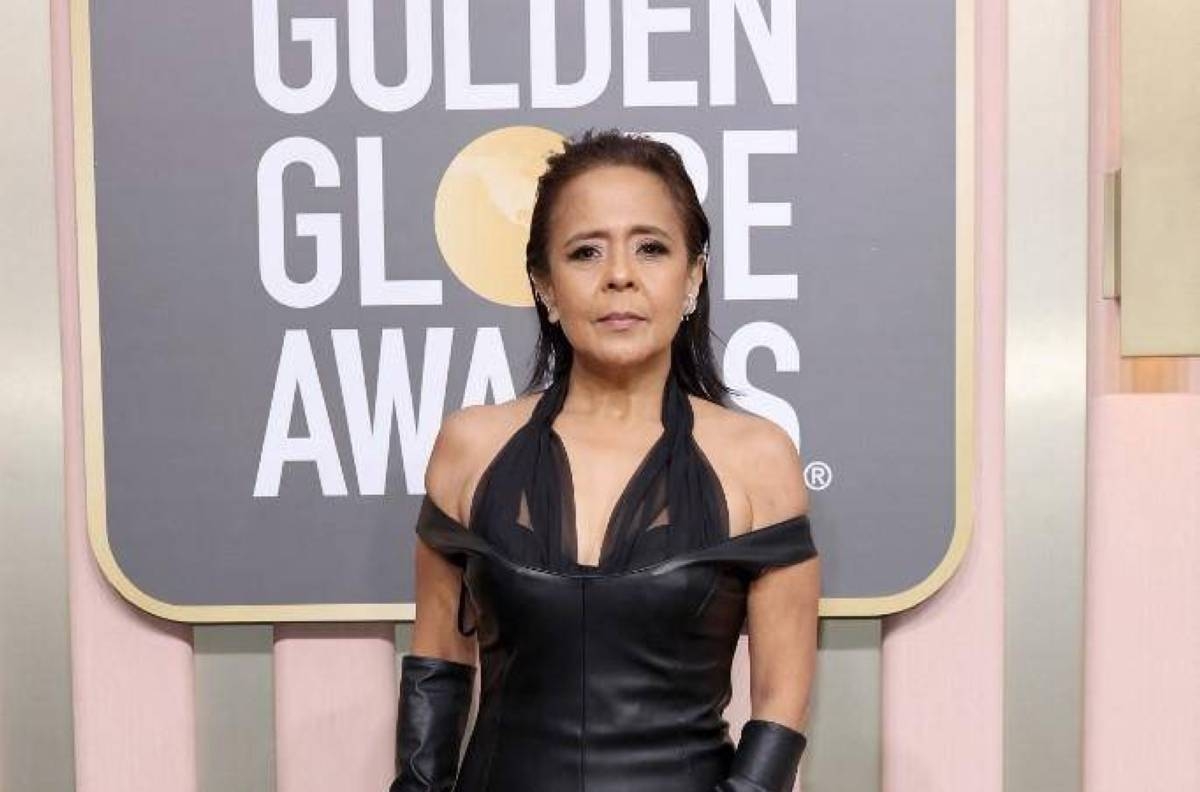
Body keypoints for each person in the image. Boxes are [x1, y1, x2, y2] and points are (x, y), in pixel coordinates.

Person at [389, 129, 821, 792]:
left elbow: (780, 708)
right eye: (586, 251)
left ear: (693, 275)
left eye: (651, 247)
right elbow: (438, 665)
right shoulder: (469, 448)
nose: (620, 274)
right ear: (545, 286)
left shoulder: (758, 458)